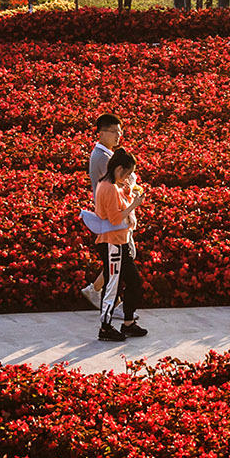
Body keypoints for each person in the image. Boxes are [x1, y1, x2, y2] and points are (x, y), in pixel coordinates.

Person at [94, 146, 147, 342]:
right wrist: (134, 205)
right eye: (127, 174)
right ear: (119, 169)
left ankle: (128, 322)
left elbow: (118, 209)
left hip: (119, 242)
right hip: (112, 244)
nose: (128, 178)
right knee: (112, 286)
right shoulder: (108, 188)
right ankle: (105, 327)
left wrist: (128, 194)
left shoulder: (112, 186)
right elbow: (115, 218)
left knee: (134, 282)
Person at [80, 113, 124, 308]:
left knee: (121, 257)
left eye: (120, 131)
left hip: (112, 211)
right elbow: (120, 180)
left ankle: (99, 292)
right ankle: (110, 300)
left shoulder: (106, 155)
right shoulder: (102, 157)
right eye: (114, 131)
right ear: (101, 133)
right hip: (110, 213)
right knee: (120, 257)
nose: (118, 135)